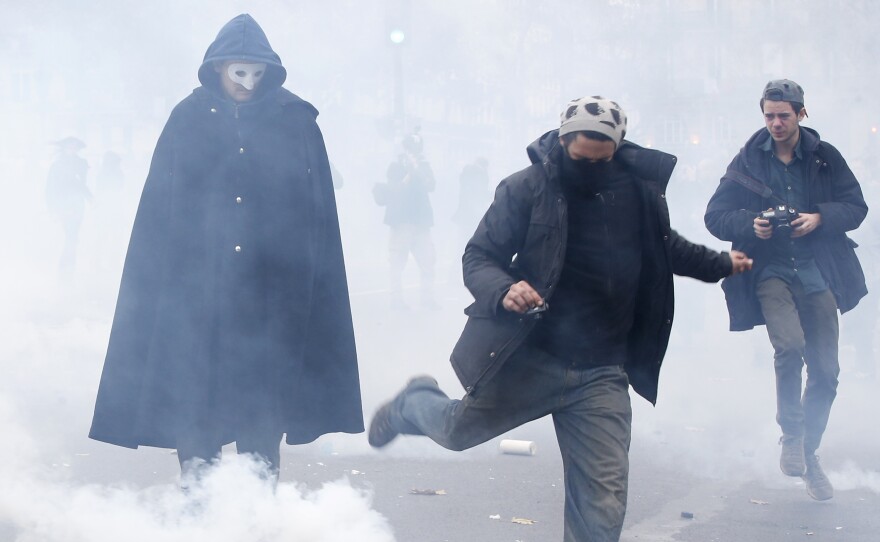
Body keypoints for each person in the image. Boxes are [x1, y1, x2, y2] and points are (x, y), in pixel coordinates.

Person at [369, 96, 752, 541]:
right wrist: (505, 289)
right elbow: (479, 256)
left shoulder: (637, 192)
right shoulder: (525, 188)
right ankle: (413, 401)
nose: (588, 169)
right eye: (579, 158)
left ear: (617, 146)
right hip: (532, 358)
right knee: (455, 432)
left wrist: (721, 263)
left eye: (600, 159)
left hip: (603, 372)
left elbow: (666, 248)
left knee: (603, 508)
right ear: (564, 140)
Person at [88, 14, 363, 480]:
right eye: (239, 72)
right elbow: (159, 208)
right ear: (218, 67)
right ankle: (200, 511)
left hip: (272, 297)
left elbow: (315, 214)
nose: (248, 84)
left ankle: (256, 512)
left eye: (257, 73)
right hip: (198, 297)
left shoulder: (296, 121)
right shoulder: (187, 118)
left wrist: (304, 281)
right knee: (196, 408)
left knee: (263, 413)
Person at [705, 79, 868, 501]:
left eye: (783, 114)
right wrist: (750, 224)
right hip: (769, 271)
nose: (776, 123)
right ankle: (791, 435)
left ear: (800, 113)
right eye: (769, 115)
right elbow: (716, 215)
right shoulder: (748, 159)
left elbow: (857, 207)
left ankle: (808, 451)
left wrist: (819, 218)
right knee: (789, 346)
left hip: (817, 271)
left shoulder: (825, 157)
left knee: (827, 372)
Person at [373, 129, 438, 310]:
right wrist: (408, 171)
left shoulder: (423, 166)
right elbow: (396, 189)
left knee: (428, 262)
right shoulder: (396, 166)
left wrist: (417, 168)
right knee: (397, 263)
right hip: (401, 221)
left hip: (421, 222)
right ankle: (396, 300)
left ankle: (427, 299)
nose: (414, 152)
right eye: (412, 148)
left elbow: (431, 185)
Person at [45, 136, 91, 272]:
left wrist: (90, 198)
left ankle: (68, 268)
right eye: (70, 146)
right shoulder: (57, 165)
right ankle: (66, 268)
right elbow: (50, 188)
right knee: (71, 237)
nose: (72, 149)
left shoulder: (81, 164)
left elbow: (82, 185)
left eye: (75, 147)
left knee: (73, 237)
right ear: (64, 148)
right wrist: (53, 209)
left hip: (78, 205)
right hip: (63, 205)